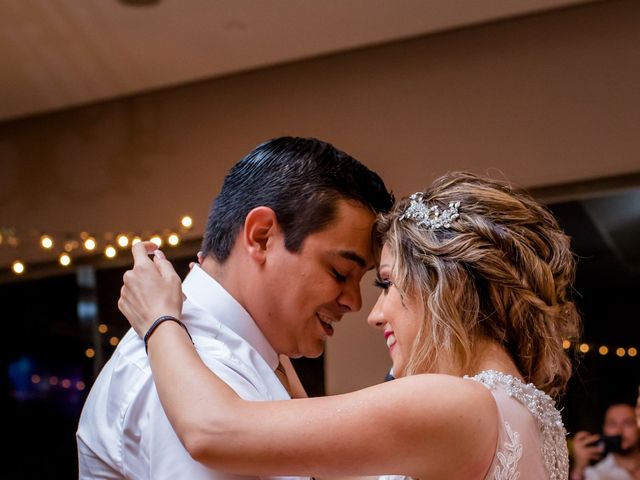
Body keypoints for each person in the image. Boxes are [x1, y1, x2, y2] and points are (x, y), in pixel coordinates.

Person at [119, 172, 581, 479]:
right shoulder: (535, 418)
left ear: (446, 288)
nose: (375, 312)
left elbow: (211, 431)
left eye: (387, 284)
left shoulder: (456, 404)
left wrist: (159, 318)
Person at [76, 136, 394, 479]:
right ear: (261, 237)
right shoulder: (183, 374)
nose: (355, 302)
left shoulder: (254, 352)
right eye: (341, 272)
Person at [571, 402, 640, 480]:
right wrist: (579, 469)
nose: (619, 431)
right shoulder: (596, 474)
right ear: (604, 429)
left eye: (628, 423)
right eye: (612, 424)